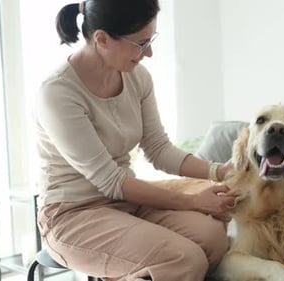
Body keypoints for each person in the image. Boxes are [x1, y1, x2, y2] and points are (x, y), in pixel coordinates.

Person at [35, 1, 236, 280]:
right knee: (183, 259)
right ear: (102, 39)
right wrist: (192, 201)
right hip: (74, 214)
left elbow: (158, 149)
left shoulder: (138, 78)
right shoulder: (57, 92)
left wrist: (221, 171)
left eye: (151, 40)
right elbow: (111, 180)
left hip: (125, 204)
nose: (150, 53)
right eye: (141, 44)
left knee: (212, 237)